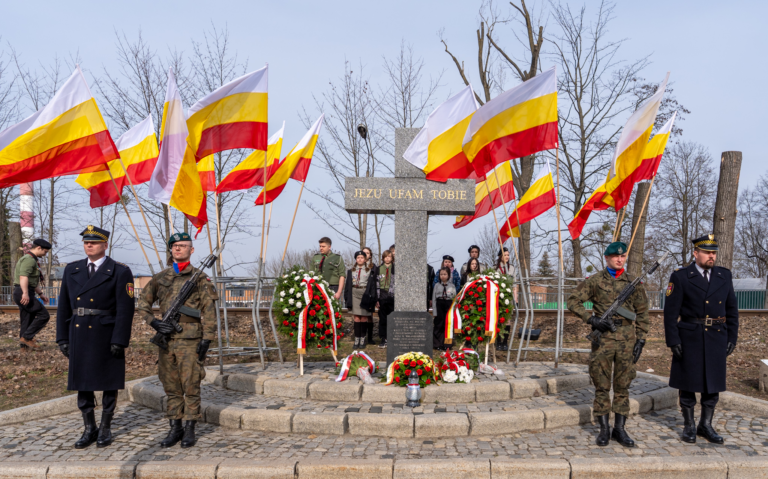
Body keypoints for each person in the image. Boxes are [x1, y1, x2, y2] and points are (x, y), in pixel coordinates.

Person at [56, 226, 134, 449]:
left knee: (109, 382)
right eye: (86, 242)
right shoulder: (72, 269)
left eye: (94, 242)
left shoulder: (119, 271)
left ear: (105, 245)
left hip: (107, 333)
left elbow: (125, 309)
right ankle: (89, 428)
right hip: (79, 332)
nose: (89, 245)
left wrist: (120, 339)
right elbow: (63, 307)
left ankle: (105, 427)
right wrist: (62, 337)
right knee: (83, 382)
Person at [137, 232, 218, 449]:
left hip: (190, 340)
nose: (178, 248)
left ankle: (190, 428)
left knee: (191, 384)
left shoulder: (200, 278)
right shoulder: (160, 277)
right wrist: (153, 323)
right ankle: (175, 428)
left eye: (183, 245)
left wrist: (207, 339)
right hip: (167, 339)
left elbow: (209, 311)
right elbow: (142, 303)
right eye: (174, 245)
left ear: (191, 250)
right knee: (170, 385)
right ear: (171, 250)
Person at [567, 241, 649, 448]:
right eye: (615, 256)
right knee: (602, 385)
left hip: (627, 340)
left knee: (623, 386)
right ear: (607, 258)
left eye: (622, 257)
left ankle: (619, 429)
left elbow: (642, 312)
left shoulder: (634, 283)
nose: (619, 259)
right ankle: (604, 430)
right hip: (603, 339)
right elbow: (573, 301)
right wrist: (591, 320)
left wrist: (641, 339)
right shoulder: (594, 281)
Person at [663, 234, 738, 444]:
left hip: (717, 337)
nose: (711, 256)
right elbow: (670, 313)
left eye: (713, 252)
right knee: (687, 383)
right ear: (695, 253)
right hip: (690, 336)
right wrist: (673, 340)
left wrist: (732, 336)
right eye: (707, 252)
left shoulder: (724, 275)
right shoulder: (681, 276)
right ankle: (689, 426)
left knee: (712, 384)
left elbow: (732, 308)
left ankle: (706, 425)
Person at [13, 238, 51, 349]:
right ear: (39, 248)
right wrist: (25, 293)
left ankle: (24, 347)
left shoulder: (32, 259)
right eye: (45, 251)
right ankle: (27, 337)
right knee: (44, 315)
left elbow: (31, 281)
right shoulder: (29, 260)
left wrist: (40, 294)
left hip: (25, 290)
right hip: (23, 291)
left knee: (27, 319)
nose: (45, 254)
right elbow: (23, 277)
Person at [344, 251, 378, 348]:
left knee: (363, 317)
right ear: (356, 259)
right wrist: (347, 298)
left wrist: (372, 298)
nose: (360, 259)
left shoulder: (369, 270)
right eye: (358, 257)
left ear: (365, 259)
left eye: (362, 257)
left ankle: (363, 339)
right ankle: (357, 339)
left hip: (364, 294)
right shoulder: (351, 270)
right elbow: (347, 286)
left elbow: (372, 286)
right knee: (356, 318)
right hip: (354, 293)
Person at [432, 267, 456, 351]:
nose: (443, 276)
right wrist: (434, 312)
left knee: (448, 324)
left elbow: (454, 299)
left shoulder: (452, 286)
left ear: (449, 275)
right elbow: (434, 299)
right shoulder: (436, 285)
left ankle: (447, 344)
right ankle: (437, 344)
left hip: (448, 304)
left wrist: (453, 311)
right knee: (439, 325)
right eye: (441, 274)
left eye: (445, 274)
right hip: (439, 304)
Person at [495, 247, 514, 352]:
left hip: (508, 297)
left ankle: (505, 342)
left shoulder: (512, 268)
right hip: (498, 297)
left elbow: (515, 284)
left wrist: (515, 298)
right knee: (498, 321)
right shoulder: (495, 268)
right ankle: (498, 342)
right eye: (505, 255)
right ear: (500, 257)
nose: (507, 257)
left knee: (507, 321)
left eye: (508, 255)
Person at [377, 250, 394, 349]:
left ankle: (391, 338)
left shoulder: (395, 268)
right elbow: (376, 284)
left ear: (392, 258)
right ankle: (383, 338)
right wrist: (377, 299)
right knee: (383, 319)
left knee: (392, 318)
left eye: (389, 257)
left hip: (392, 295)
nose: (387, 258)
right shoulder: (379, 269)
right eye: (385, 257)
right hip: (382, 295)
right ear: (383, 258)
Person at [362, 247, 377, 345]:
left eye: (367, 253)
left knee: (369, 315)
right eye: (364, 252)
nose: (366, 254)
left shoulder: (374, 267)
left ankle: (370, 338)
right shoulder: (358, 265)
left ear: (370, 255)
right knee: (361, 315)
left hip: (370, 293)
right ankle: (361, 337)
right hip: (359, 292)